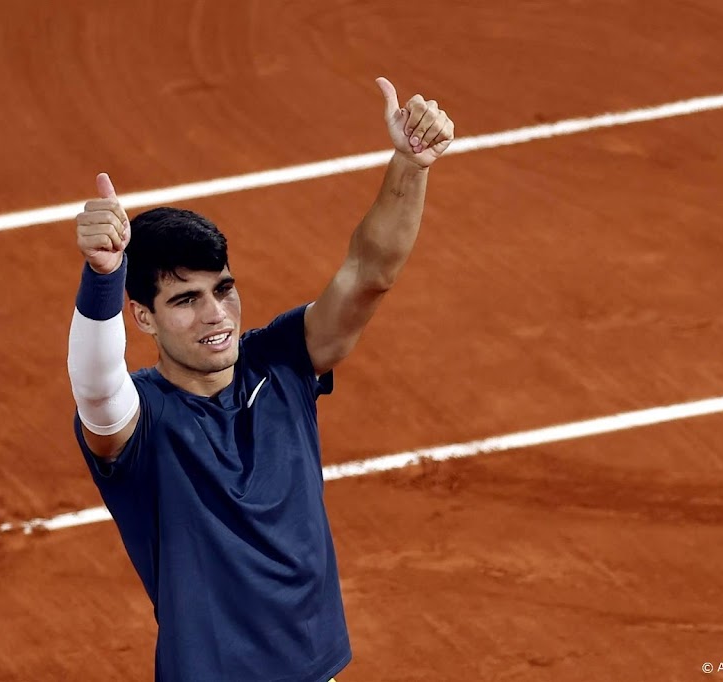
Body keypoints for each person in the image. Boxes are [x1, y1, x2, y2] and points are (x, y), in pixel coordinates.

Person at [67, 76, 454, 682]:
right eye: (185, 300)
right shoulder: (140, 422)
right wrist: (102, 276)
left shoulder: (282, 362)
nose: (215, 314)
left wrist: (411, 164)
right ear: (142, 316)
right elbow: (93, 383)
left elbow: (368, 274)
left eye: (222, 289)